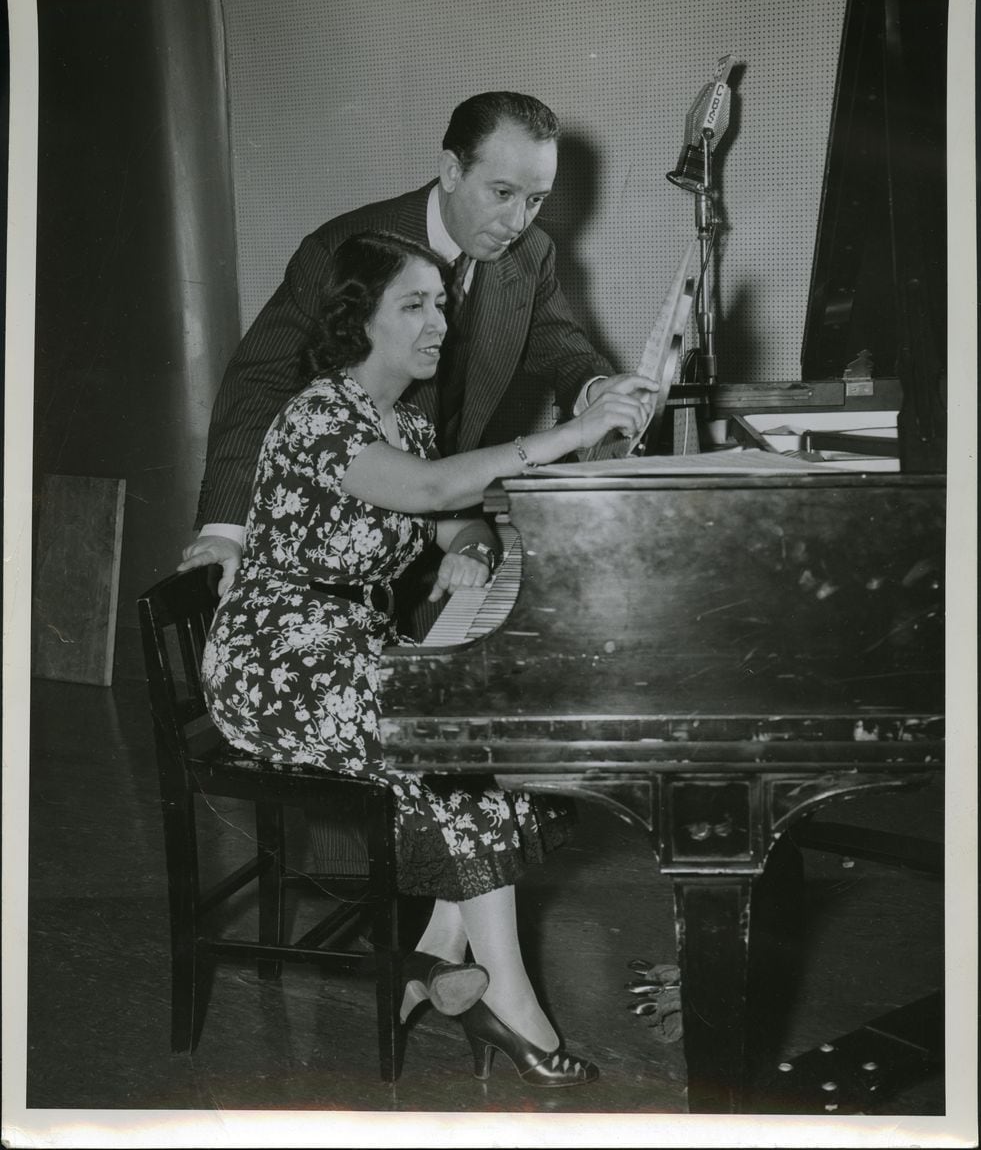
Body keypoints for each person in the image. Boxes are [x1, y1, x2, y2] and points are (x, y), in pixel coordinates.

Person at [200, 231, 653, 1086]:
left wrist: (470, 547)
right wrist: (579, 430)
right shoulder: (316, 415)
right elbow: (432, 488)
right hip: (275, 663)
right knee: (451, 743)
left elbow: (451, 513)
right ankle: (507, 1000)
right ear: (356, 320)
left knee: (485, 730)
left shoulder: (402, 417)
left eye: (440, 302)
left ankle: (438, 962)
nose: (438, 320)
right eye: (413, 304)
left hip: (347, 645)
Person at [180, 91, 643, 594]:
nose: (517, 224)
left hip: (435, 531)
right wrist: (225, 532)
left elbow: (558, 343)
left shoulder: (531, 253)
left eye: (535, 201)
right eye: (502, 193)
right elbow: (260, 384)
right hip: (338, 548)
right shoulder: (342, 250)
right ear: (451, 171)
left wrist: (596, 387)